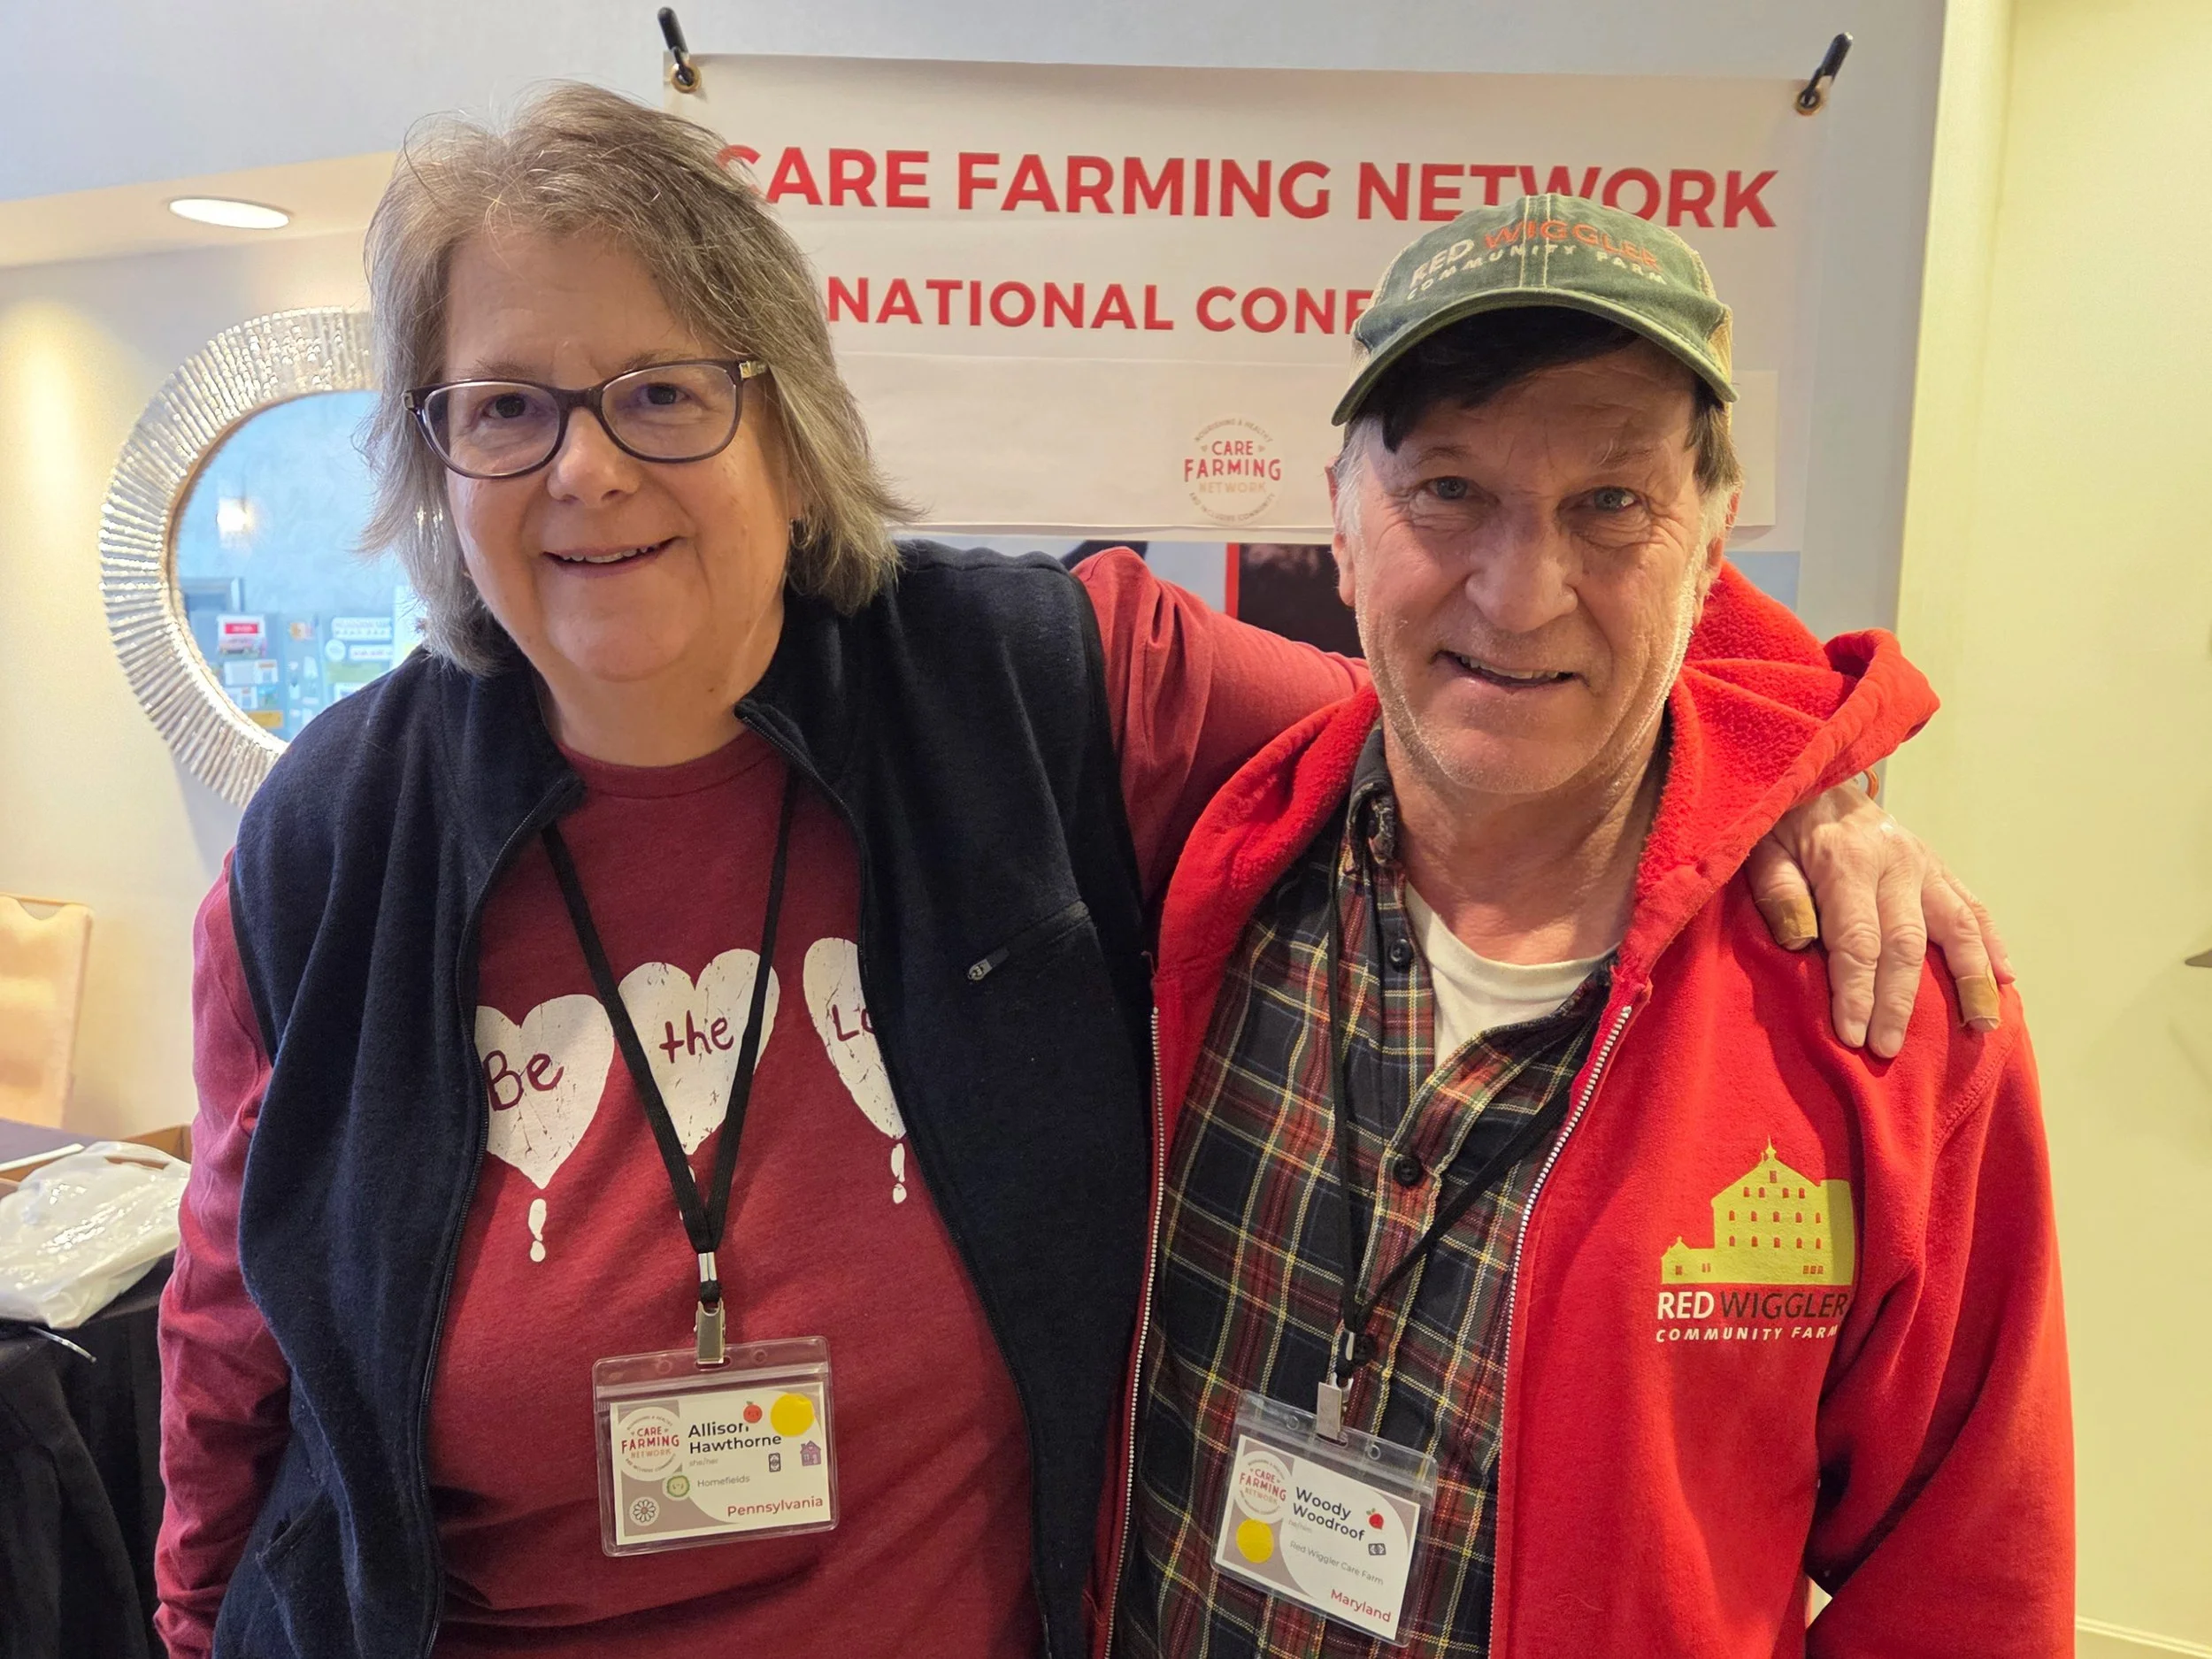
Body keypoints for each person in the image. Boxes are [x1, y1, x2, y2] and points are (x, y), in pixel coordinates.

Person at [154, 88, 2004, 1659]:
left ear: (785, 428)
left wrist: (1788, 771)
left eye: (660, 395)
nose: (583, 470)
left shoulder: (1040, 688)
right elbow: (230, 1363)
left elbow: (1487, 687)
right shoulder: (327, 847)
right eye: (503, 408)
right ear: (431, 458)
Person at [1103, 196, 2068, 1658]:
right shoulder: (1204, 855)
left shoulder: (1887, 1016)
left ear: (1713, 545)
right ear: (1342, 525)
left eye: (1611, 504)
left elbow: (1965, 1584)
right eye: (1447, 490)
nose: (1521, 588)